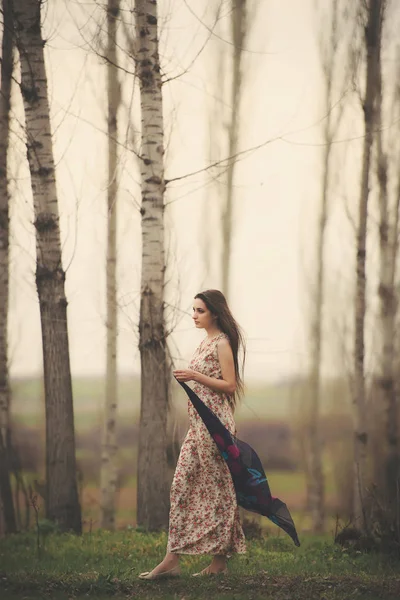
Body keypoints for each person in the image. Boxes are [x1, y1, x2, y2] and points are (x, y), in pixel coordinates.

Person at [139, 289, 247, 580]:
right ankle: (172, 560)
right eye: (194, 310)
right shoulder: (205, 343)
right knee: (181, 484)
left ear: (214, 312)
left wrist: (194, 376)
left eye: (199, 310)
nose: (194, 315)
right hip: (197, 426)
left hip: (215, 427)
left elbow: (229, 385)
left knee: (218, 489)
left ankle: (219, 563)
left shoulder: (221, 343)